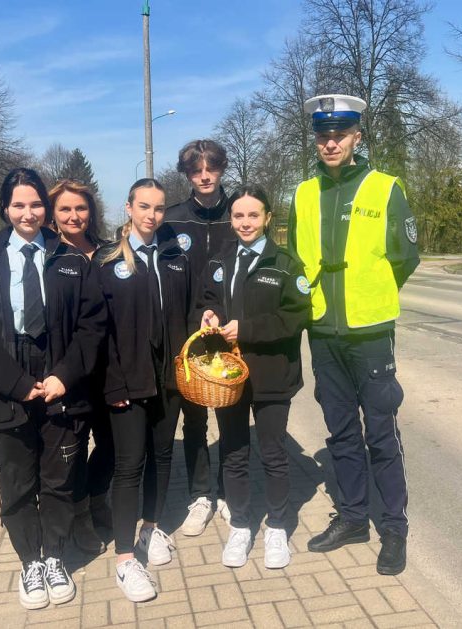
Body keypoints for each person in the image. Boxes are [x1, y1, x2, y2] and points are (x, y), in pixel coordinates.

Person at [0, 168, 107, 609]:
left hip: (61, 376)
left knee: (60, 479)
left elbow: (91, 325)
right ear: (5, 208)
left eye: (36, 204)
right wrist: (18, 385)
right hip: (6, 384)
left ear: (46, 207)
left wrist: (65, 375)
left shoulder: (69, 259)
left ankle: (56, 556)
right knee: (18, 482)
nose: (29, 213)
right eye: (19, 205)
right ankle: (31, 562)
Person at [287, 94, 420, 575]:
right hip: (322, 331)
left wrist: (372, 295)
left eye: (340, 134)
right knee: (341, 432)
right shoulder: (303, 194)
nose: (330, 142)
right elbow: (296, 263)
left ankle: (394, 528)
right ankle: (352, 518)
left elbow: (406, 257)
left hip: (369, 333)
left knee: (381, 433)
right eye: (323, 135)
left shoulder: (385, 188)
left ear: (357, 137)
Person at [196, 185, 311, 569]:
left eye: (253, 215)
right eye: (238, 216)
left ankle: (277, 527)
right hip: (229, 376)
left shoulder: (285, 263)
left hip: (273, 376)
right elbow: (207, 298)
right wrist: (209, 314)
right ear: (231, 220)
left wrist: (244, 329)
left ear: (267, 218)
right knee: (234, 452)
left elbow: (295, 318)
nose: (245, 222)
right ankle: (242, 526)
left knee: (274, 453)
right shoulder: (220, 259)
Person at [94, 178, 192, 602]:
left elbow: (187, 314)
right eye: (144, 206)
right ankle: (123, 559)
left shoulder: (174, 258)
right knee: (130, 466)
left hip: (168, 379)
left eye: (159, 208)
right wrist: (112, 381)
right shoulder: (107, 260)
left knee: (163, 455)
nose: (152, 215)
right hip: (127, 382)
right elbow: (99, 332)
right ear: (129, 207)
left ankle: (151, 527)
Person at [160, 139, 236, 535]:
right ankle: (199, 494)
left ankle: (226, 492)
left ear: (222, 168)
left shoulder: (238, 213)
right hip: (188, 337)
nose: (204, 176)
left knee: (230, 416)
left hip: (229, 334)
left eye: (211, 167)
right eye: (195, 170)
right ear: (187, 174)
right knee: (193, 421)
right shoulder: (172, 220)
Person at [47, 179, 113, 556]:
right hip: (67, 372)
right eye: (65, 209)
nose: (75, 216)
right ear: (54, 215)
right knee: (70, 451)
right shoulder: (47, 255)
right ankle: (79, 516)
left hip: (108, 370)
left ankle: (96, 498)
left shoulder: (108, 253)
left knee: (112, 445)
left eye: (81, 208)